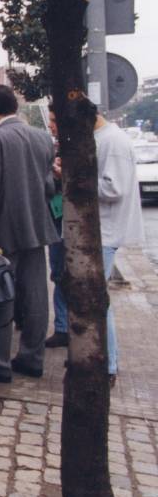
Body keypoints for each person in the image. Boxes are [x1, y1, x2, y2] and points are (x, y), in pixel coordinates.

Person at [0, 85, 60, 381]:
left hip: (3, 228)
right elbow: (49, 185)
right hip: (38, 226)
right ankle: (32, 357)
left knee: (1, 294)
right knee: (37, 293)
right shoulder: (43, 137)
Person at [92, 107, 145, 383]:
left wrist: (75, 177)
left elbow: (113, 189)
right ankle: (105, 361)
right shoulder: (105, 138)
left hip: (105, 231)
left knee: (98, 301)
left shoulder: (112, 142)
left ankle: (108, 364)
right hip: (102, 230)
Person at [45, 106, 69, 348]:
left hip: (67, 219)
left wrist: (62, 175)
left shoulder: (78, 147)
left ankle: (65, 326)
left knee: (62, 272)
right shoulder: (57, 147)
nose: (51, 125)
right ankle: (62, 326)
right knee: (58, 272)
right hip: (56, 216)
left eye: (54, 120)